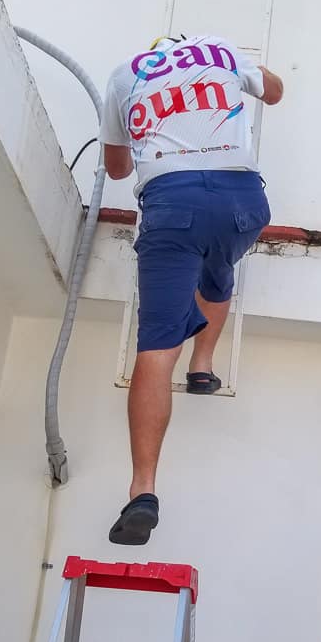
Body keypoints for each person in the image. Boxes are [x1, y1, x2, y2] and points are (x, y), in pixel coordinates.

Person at [99, 34, 283, 545]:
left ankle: (142, 491)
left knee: (158, 344)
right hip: (242, 201)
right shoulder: (220, 51)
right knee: (218, 271)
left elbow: (117, 168)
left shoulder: (125, 73)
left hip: (173, 202)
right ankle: (202, 368)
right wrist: (252, 72)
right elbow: (274, 90)